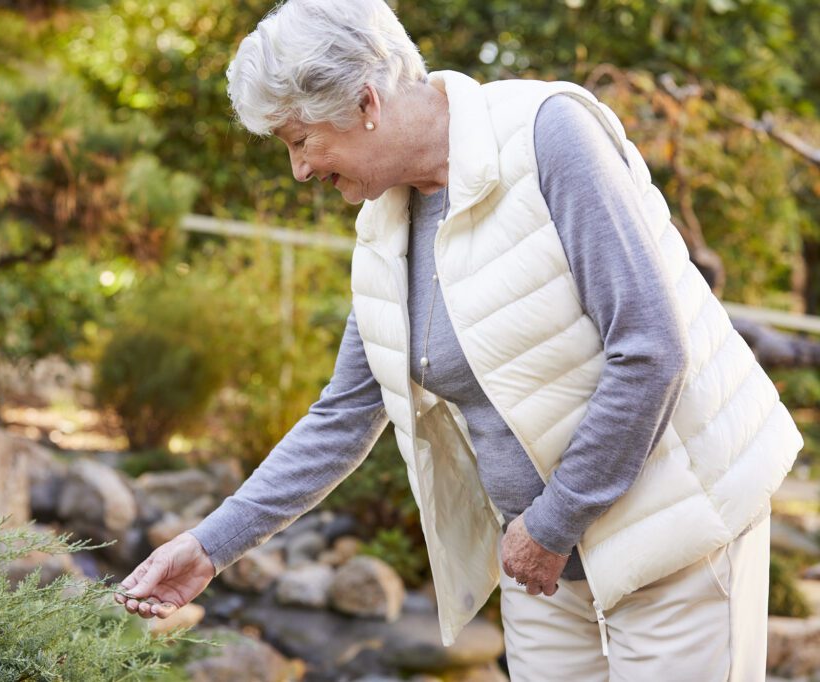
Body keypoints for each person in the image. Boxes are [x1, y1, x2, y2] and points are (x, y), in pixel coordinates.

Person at [114, 0, 804, 678]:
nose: (298, 171)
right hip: (543, 560)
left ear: (365, 103)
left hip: (677, 526)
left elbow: (650, 350)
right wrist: (210, 548)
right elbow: (345, 414)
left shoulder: (548, 134)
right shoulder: (387, 224)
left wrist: (552, 523)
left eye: (299, 140)